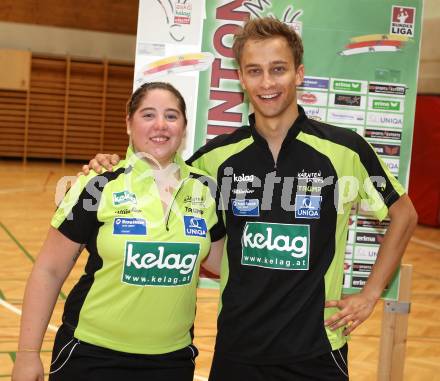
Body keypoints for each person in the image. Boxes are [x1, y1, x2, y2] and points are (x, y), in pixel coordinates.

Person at [83, 17, 418, 381]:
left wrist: (370, 294)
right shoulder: (216, 158)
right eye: (254, 71)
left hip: (317, 348)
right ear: (241, 78)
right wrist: (109, 163)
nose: (267, 83)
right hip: (238, 349)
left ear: (299, 74)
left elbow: (404, 215)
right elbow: (161, 176)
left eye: (278, 69)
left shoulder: (345, 150)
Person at [12, 82, 225, 381]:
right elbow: (49, 270)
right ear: (128, 123)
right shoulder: (98, 184)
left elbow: (224, 263)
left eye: (172, 116)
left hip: (171, 361)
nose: (160, 125)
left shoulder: (205, 189)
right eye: (148, 115)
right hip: (91, 355)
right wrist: (27, 354)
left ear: (184, 126)